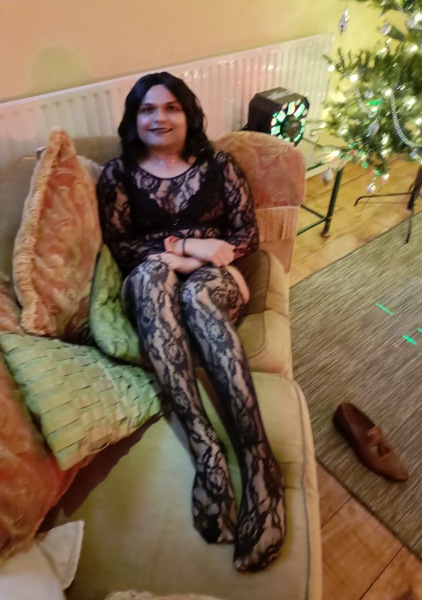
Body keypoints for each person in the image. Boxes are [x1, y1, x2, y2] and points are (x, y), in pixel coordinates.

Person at [96, 71, 286, 572]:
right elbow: (121, 246)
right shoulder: (117, 175)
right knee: (152, 273)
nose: (158, 118)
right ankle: (207, 452)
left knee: (197, 295)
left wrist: (196, 259)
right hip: (152, 285)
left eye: (171, 107)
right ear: (134, 118)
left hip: (212, 283)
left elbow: (244, 235)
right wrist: (184, 249)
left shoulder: (219, 165)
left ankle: (260, 464)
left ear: (188, 113)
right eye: (147, 109)